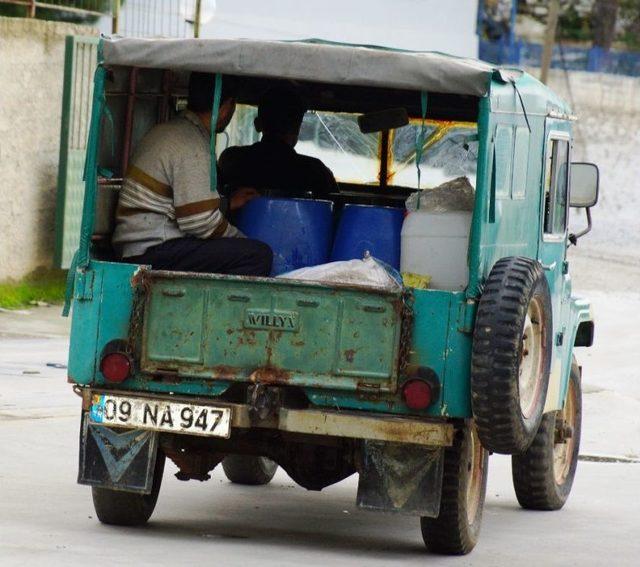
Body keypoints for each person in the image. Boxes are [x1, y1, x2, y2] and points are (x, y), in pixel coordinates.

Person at [112, 72, 272, 276]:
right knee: (258, 255)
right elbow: (200, 223)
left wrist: (226, 204)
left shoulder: (172, 130)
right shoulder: (191, 144)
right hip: (152, 250)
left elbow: (185, 207)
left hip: (139, 245)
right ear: (226, 107)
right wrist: (242, 239)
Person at [219, 84, 337, 199]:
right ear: (297, 127)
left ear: (257, 124)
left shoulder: (232, 160)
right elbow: (336, 211)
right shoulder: (316, 171)